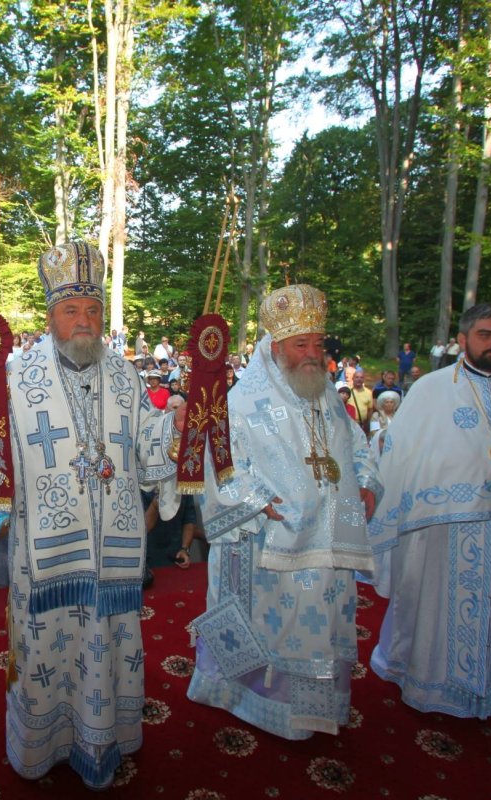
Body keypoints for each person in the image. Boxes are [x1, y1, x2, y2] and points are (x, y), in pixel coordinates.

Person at [0, 241, 179, 789]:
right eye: (71, 309)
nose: (84, 320)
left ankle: (108, 737)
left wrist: (177, 422)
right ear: (50, 315)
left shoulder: (126, 375)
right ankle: (45, 745)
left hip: (114, 553)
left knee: (111, 648)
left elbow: (149, 442)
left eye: (93, 309)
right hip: (48, 559)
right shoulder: (15, 379)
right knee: (45, 654)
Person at [187, 284, 378, 740]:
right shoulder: (242, 401)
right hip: (268, 544)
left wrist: (368, 483)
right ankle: (253, 699)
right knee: (274, 627)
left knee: (323, 624)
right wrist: (254, 502)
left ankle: (317, 706)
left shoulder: (328, 395)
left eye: (317, 342)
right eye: (301, 344)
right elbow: (222, 464)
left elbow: (357, 445)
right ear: (276, 348)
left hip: (330, 540)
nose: (313, 353)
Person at [368, 302, 491, 718]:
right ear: (462, 340)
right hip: (439, 524)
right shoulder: (430, 388)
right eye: (486, 334)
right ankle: (422, 677)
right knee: (431, 601)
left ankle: (490, 685)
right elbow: (403, 455)